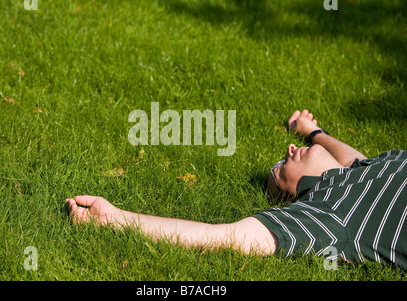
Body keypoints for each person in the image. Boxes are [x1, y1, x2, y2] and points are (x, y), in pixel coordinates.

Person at [66, 110, 406, 270]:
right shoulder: (325, 213)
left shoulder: (367, 169)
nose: (289, 149)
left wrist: (314, 132)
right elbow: (228, 236)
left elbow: (354, 158)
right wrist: (116, 217)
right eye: (279, 169)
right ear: (289, 194)